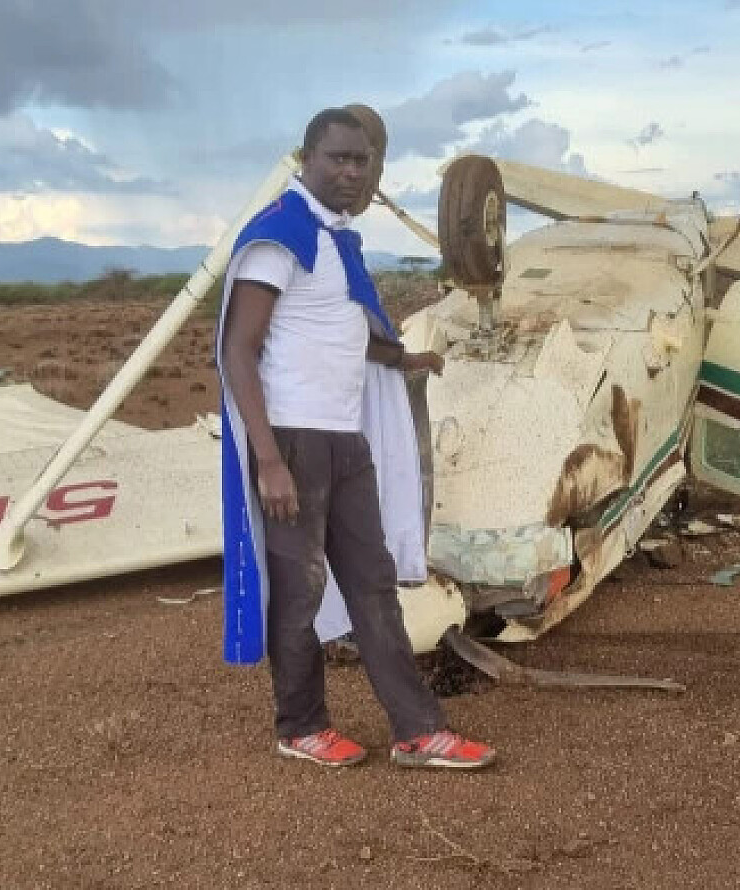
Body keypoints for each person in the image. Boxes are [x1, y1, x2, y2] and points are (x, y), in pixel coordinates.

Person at [217, 107, 495, 769]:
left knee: (372, 584)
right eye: (337, 158)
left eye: (362, 160)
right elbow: (238, 349)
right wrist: (268, 460)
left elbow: (341, 331)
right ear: (306, 159)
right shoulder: (280, 235)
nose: (351, 172)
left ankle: (418, 732)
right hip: (292, 441)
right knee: (300, 589)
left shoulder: (337, 241)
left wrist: (402, 359)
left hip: (345, 440)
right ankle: (301, 726)